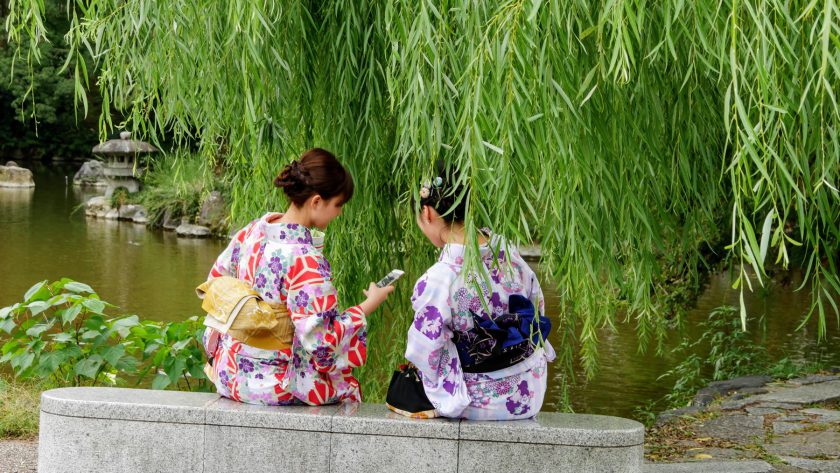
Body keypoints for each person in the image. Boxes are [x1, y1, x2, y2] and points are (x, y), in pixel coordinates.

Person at [203, 148, 394, 405]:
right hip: (274, 382)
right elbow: (321, 343)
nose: (339, 213)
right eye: (338, 205)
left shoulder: (251, 232)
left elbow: (216, 282)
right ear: (316, 202)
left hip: (230, 373)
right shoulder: (304, 259)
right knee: (347, 389)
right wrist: (368, 305)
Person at [402, 171, 555, 420]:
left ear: (428, 213)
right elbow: (537, 304)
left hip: (480, 401)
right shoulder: (507, 252)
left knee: (405, 385)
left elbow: (425, 353)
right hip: (529, 392)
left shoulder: (439, 279)